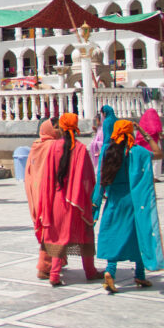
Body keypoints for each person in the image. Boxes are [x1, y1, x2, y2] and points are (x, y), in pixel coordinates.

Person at [93, 118, 164, 293]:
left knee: (114, 235)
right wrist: (145, 134)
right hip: (134, 202)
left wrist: (94, 205)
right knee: (137, 236)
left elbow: (100, 181)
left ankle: (110, 271)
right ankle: (140, 274)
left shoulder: (107, 151)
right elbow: (159, 153)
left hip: (114, 201)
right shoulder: (138, 152)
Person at [33, 113, 100, 286]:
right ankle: (90, 271)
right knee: (84, 235)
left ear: (61, 128)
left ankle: (54, 274)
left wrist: (45, 200)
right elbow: (88, 178)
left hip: (57, 200)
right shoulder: (80, 149)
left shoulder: (53, 147)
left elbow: (47, 177)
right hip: (77, 201)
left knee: (57, 237)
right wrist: (87, 198)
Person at [25, 116, 61, 278]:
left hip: (36, 190)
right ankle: (44, 266)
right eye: (56, 127)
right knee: (51, 228)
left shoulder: (37, 145)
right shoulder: (53, 146)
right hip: (49, 191)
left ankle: (57, 261)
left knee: (50, 226)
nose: (59, 130)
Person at [138, 108, 164, 182]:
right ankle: (155, 176)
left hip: (145, 143)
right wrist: (163, 136)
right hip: (154, 142)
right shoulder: (155, 120)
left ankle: (147, 175)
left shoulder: (143, 120)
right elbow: (158, 131)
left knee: (147, 159)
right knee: (157, 160)